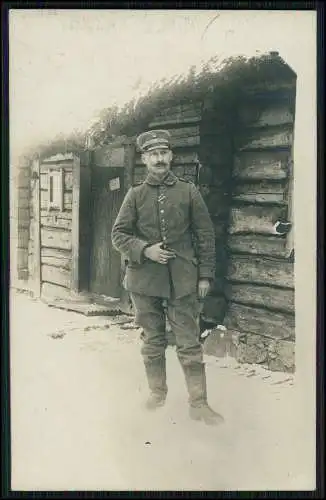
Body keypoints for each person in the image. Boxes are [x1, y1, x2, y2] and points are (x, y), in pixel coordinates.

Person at [111, 129, 224, 426]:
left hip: (183, 280)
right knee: (152, 340)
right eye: (153, 154)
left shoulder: (189, 191)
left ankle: (199, 404)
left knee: (188, 342)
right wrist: (144, 250)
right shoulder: (135, 194)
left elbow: (205, 236)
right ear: (145, 159)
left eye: (163, 153)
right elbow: (118, 235)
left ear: (171, 156)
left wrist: (205, 276)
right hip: (144, 281)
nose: (159, 159)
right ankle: (157, 395)